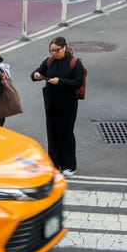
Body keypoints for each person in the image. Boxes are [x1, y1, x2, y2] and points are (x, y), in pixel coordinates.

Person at [31, 37, 85, 176]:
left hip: (68, 104)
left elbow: (78, 82)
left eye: (57, 50)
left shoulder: (75, 63)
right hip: (51, 103)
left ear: (64, 47)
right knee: (52, 134)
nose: (54, 53)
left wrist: (60, 81)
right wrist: (36, 74)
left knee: (66, 134)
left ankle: (69, 165)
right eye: (52, 51)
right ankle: (54, 164)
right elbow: (37, 72)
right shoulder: (49, 61)